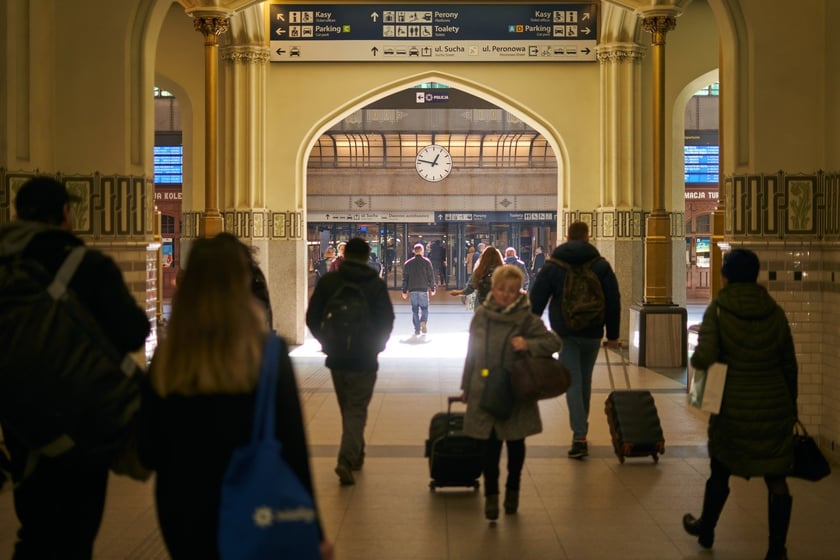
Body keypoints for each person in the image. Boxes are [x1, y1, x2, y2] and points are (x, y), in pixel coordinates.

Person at [139, 234, 333, 560]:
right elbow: (292, 447)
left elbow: (147, 452)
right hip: (253, 504)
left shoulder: (168, 359)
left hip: (182, 508)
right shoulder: (269, 355)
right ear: (243, 282)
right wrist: (315, 532)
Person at [2, 176, 151, 559]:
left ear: (17, 213)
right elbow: (134, 333)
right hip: (84, 418)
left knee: (34, 529)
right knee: (75, 533)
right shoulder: (87, 265)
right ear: (66, 214)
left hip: (20, 420)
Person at [682, 248, 797, 560]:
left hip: (732, 406)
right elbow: (790, 364)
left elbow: (704, 357)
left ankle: (706, 529)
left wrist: (698, 356)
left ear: (726, 275)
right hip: (774, 403)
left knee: (721, 469)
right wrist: (791, 406)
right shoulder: (774, 310)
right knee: (776, 478)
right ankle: (777, 549)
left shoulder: (719, 309)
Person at [459, 265, 561, 520]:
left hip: (517, 391)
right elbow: (471, 354)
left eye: (512, 290)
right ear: (493, 289)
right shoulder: (481, 316)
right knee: (489, 449)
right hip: (485, 390)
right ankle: (491, 496)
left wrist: (529, 343)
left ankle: (512, 490)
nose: (506, 294)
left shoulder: (526, 319)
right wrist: (466, 387)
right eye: (502, 289)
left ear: (519, 293)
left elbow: (554, 342)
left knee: (515, 445)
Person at [305, 238, 394, 485]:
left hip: (337, 357)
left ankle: (356, 452)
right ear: (367, 257)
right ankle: (347, 458)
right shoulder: (374, 284)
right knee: (357, 407)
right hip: (365, 356)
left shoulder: (329, 282)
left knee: (348, 406)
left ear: (345, 255)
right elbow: (386, 319)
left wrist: (326, 342)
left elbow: (312, 317)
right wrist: (377, 346)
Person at [530, 221, 621, 459]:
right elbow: (613, 299)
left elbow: (537, 299)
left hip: (565, 332)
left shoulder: (553, 265)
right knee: (585, 381)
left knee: (572, 381)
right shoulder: (600, 265)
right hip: (592, 331)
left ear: (567, 237)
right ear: (588, 237)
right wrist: (612, 335)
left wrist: (529, 327)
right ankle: (581, 430)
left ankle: (579, 436)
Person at [401, 243, 436, 335]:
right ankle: (423, 321)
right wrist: (432, 288)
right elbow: (431, 277)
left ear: (414, 251)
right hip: (423, 289)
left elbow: (405, 278)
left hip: (412, 290)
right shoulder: (427, 262)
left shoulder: (408, 263)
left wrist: (404, 291)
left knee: (415, 310)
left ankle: (417, 329)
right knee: (424, 308)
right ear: (422, 251)